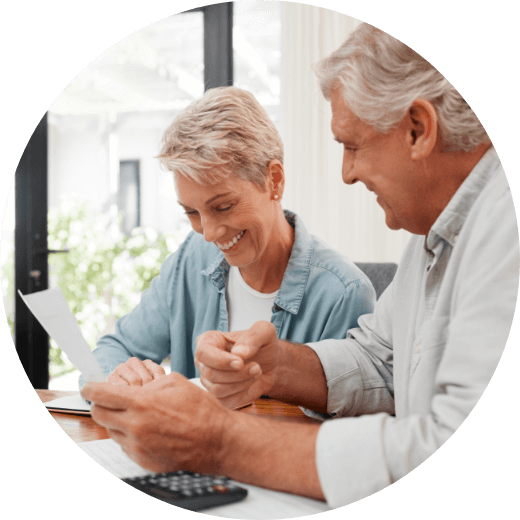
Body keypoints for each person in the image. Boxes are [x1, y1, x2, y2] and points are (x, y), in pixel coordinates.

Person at [81, 23, 518, 507]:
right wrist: (276, 366)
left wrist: (219, 440)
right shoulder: (432, 237)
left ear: (418, 128)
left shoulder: (504, 229)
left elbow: (439, 440)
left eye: (352, 146)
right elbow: (379, 362)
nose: (346, 174)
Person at [78, 86, 375, 389]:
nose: (208, 233)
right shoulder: (191, 260)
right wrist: (118, 376)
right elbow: (111, 350)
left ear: (274, 180)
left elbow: (339, 427)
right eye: (192, 212)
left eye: (223, 206)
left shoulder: (344, 295)